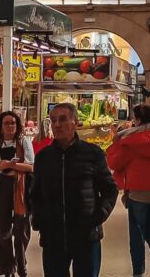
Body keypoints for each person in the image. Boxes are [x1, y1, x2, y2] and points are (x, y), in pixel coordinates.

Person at [30, 101, 119, 277]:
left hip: (86, 236)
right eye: (53, 120)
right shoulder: (43, 158)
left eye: (62, 119)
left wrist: (98, 215)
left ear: (75, 123)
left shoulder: (93, 154)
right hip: (53, 238)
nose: (57, 125)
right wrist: (39, 220)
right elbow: (35, 193)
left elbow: (110, 189)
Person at [106, 103, 150, 277]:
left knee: (137, 234)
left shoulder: (130, 142)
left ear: (137, 120)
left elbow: (114, 163)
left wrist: (116, 142)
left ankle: (138, 272)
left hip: (138, 193)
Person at [0, 110, 34, 277]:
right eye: (6, 123)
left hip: (21, 188)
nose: (10, 126)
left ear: (18, 126)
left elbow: (31, 166)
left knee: (21, 230)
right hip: (1, 188)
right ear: (0, 127)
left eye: (13, 123)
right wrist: (0, 168)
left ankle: (21, 262)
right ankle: (8, 269)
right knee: (2, 231)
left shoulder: (24, 142)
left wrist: (10, 166)